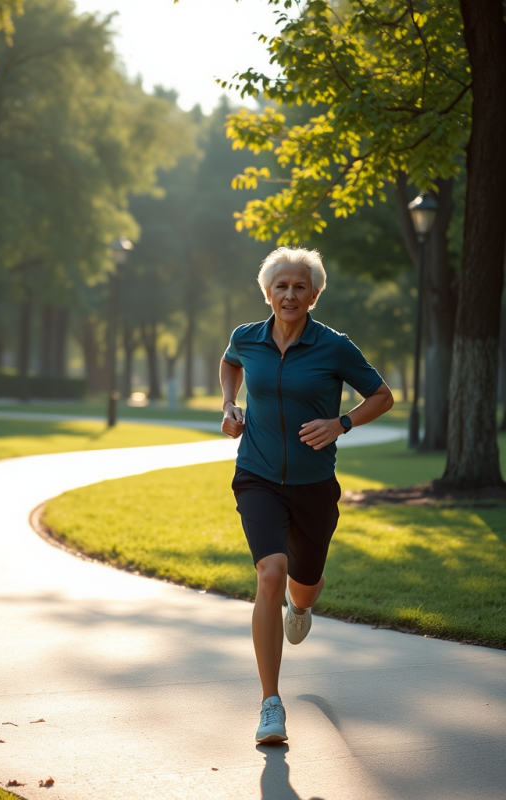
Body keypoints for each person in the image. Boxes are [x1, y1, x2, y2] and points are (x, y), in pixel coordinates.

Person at [220, 247, 393, 744]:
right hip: (256, 476)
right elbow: (230, 364)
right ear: (267, 292)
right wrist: (230, 405)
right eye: (281, 286)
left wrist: (340, 423)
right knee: (270, 573)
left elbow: (382, 396)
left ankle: (302, 607)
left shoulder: (334, 347)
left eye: (299, 286)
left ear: (314, 294)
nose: (289, 294)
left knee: (303, 585)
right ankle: (271, 704)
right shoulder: (246, 338)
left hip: (314, 485)